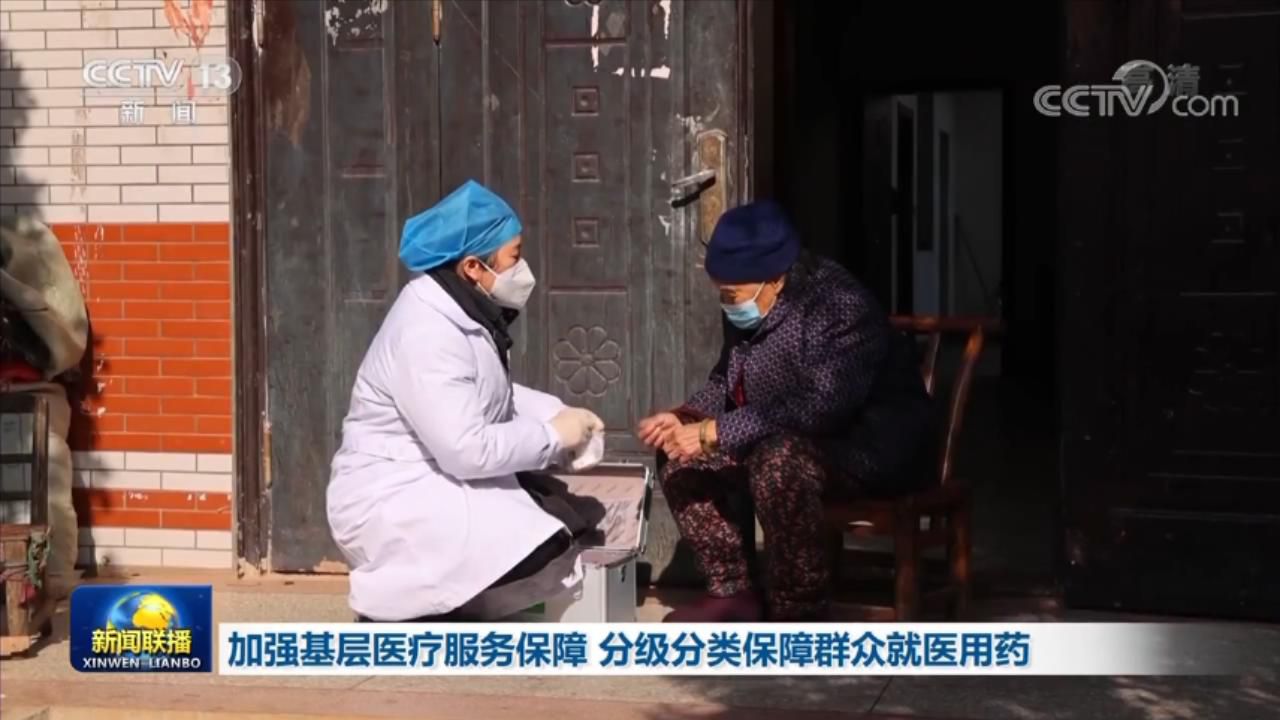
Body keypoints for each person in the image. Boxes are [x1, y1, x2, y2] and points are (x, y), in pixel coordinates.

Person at [636, 201, 936, 622]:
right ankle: (732, 592)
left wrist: (716, 432)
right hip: (779, 440)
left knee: (778, 462)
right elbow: (727, 381)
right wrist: (687, 418)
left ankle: (799, 612)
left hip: (866, 449)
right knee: (678, 455)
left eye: (733, 295)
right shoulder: (751, 307)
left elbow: (823, 406)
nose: (727, 304)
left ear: (775, 280)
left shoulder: (840, 305)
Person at [327, 180, 604, 622]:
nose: (522, 269)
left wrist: (557, 412)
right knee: (532, 544)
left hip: (430, 475)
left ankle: (443, 612)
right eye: (513, 256)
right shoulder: (427, 333)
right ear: (474, 267)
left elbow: (484, 392)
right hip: (392, 492)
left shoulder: (461, 313)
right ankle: (395, 619)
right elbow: (465, 449)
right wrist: (552, 436)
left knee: (561, 517)